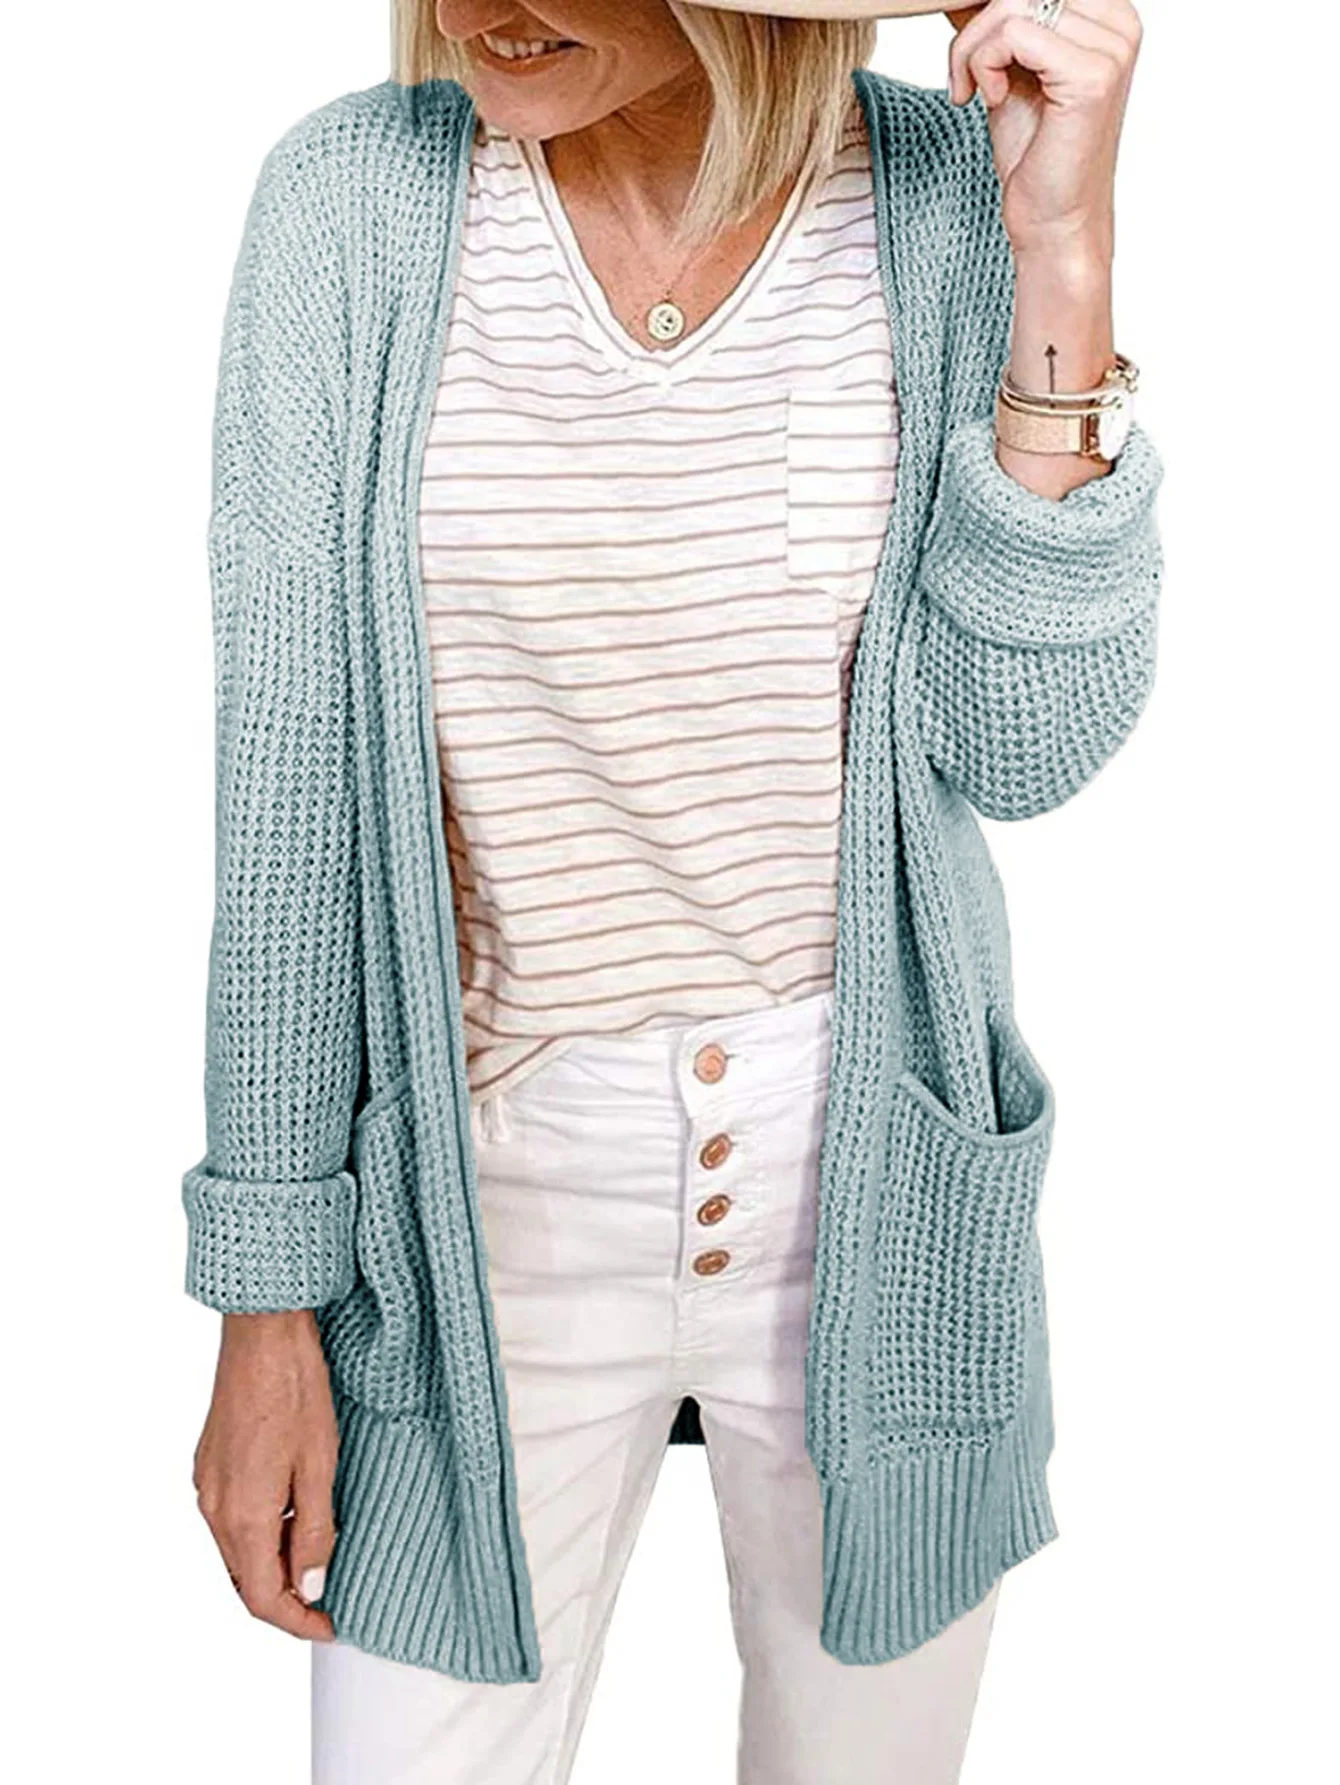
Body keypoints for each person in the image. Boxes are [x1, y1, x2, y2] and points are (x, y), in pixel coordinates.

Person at [184, 2, 1163, 1780]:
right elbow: (287, 788)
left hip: (869, 1180)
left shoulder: (939, 197)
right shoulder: (353, 205)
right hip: (486, 1207)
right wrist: (269, 1298)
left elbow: (1022, 747)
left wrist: (1065, 250)